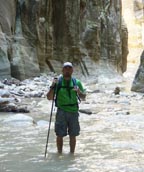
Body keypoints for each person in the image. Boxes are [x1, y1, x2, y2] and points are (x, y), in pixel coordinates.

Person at [47, 62, 86, 154]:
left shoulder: (77, 82)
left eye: (69, 69)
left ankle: (72, 154)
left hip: (74, 111)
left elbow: (84, 97)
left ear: (72, 70)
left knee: (73, 135)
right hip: (61, 111)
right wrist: (53, 86)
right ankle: (59, 153)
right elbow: (49, 97)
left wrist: (79, 91)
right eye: (66, 69)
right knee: (59, 134)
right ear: (62, 70)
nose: (67, 71)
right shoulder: (58, 82)